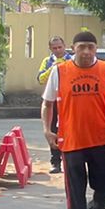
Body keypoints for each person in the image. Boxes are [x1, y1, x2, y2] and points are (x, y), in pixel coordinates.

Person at [42, 31, 105, 209]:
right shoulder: (59, 71)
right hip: (71, 141)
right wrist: (47, 130)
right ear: (73, 48)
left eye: (90, 47)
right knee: (75, 192)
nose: (86, 51)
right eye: (81, 46)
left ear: (96, 49)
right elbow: (47, 103)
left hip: (102, 141)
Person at [37, 35, 70, 173]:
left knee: (68, 129)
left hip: (68, 100)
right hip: (52, 100)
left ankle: (69, 160)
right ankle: (55, 161)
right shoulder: (47, 61)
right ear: (50, 49)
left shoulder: (71, 60)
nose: (57, 50)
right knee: (52, 129)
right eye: (54, 48)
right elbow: (40, 79)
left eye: (60, 47)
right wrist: (53, 68)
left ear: (64, 46)